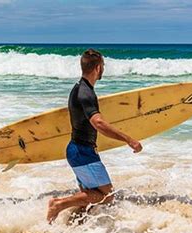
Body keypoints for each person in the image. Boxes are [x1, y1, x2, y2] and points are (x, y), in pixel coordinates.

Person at [47, 49, 143, 223]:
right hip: (83, 153)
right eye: (103, 65)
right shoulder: (86, 93)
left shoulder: (78, 89)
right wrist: (129, 140)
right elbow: (98, 123)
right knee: (107, 197)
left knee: (87, 202)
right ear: (98, 68)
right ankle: (58, 204)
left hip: (77, 151)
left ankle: (68, 230)